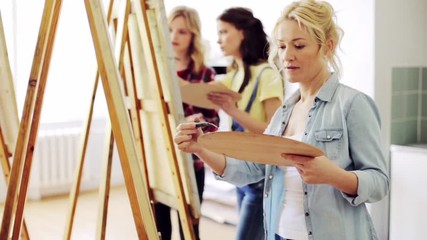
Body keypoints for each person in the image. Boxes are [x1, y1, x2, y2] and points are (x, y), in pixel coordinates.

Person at [174, 1, 390, 240]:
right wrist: (200, 148)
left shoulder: (352, 104)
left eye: (299, 45)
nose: (287, 56)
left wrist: (333, 175)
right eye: (282, 46)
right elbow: (252, 169)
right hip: (278, 234)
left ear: (327, 46)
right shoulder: (284, 111)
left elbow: (379, 182)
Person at [206, 7, 283, 240]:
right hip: (240, 172)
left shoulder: (267, 74)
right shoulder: (233, 74)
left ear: (242, 34)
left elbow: (273, 131)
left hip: (259, 177)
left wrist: (232, 109)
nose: (219, 40)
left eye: (224, 32)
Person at [154, 6, 219, 240]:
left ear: (193, 35)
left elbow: (213, 122)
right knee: (160, 227)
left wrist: (197, 122)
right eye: (170, 30)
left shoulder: (205, 74)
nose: (173, 37)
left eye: (182, 31)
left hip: (192, 162)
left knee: (190, 229)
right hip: (159, 160)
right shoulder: (154, 71)